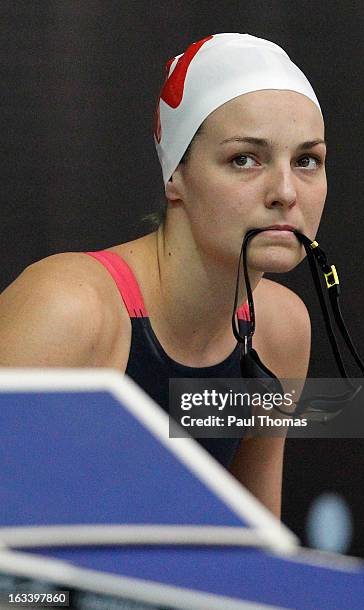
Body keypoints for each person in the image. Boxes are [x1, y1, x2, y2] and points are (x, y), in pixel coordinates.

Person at [0, 33, 327, 518]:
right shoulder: (70, 309)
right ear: (176, 175)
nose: (285, 191)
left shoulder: (281, 329)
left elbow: (250, 553)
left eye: (306, 161)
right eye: (244, 159)